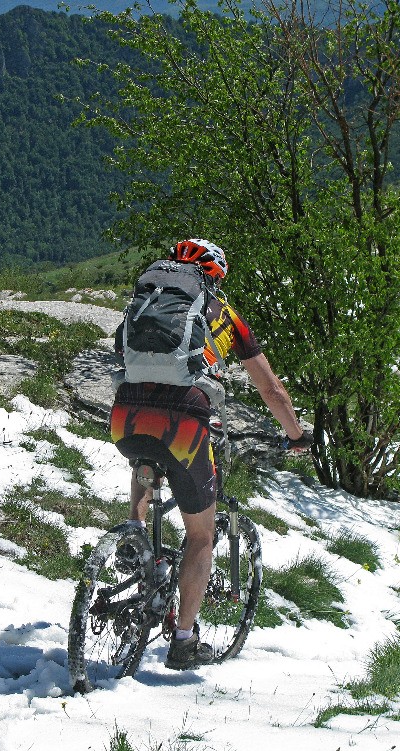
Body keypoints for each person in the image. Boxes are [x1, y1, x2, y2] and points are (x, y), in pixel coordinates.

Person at [110, 238, 313, 670]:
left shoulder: (147, 301)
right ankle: (183, 642)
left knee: (148, 452)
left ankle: (134, 532)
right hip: (185, 421)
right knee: (201, 535)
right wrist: (296, 435)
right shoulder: (225, 316)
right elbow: (272, 391)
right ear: (216, 276)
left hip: (125, 413)